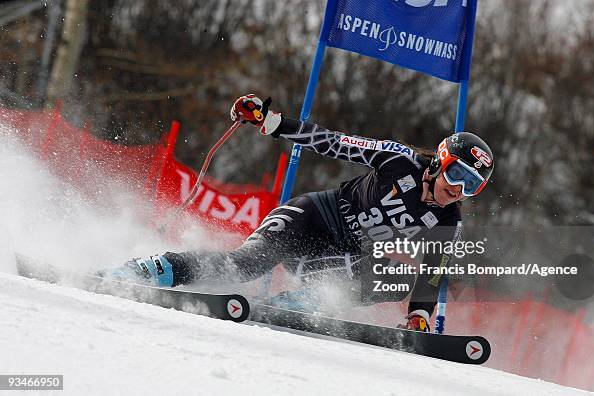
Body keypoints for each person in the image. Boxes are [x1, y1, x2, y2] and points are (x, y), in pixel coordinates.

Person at [101, 94, 494, 331]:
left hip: (336, 257)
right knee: (245, 266)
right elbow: (333, 143)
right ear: (441, 161)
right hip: (312, 217)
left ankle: (298, 305)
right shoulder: (399, 161)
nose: (457, 190)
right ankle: (153, 268)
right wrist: (271, 122)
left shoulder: (448, 219)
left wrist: (419, 319)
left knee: (390, 276)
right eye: (458, 174)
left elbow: (430, 273)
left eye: (472, 186)